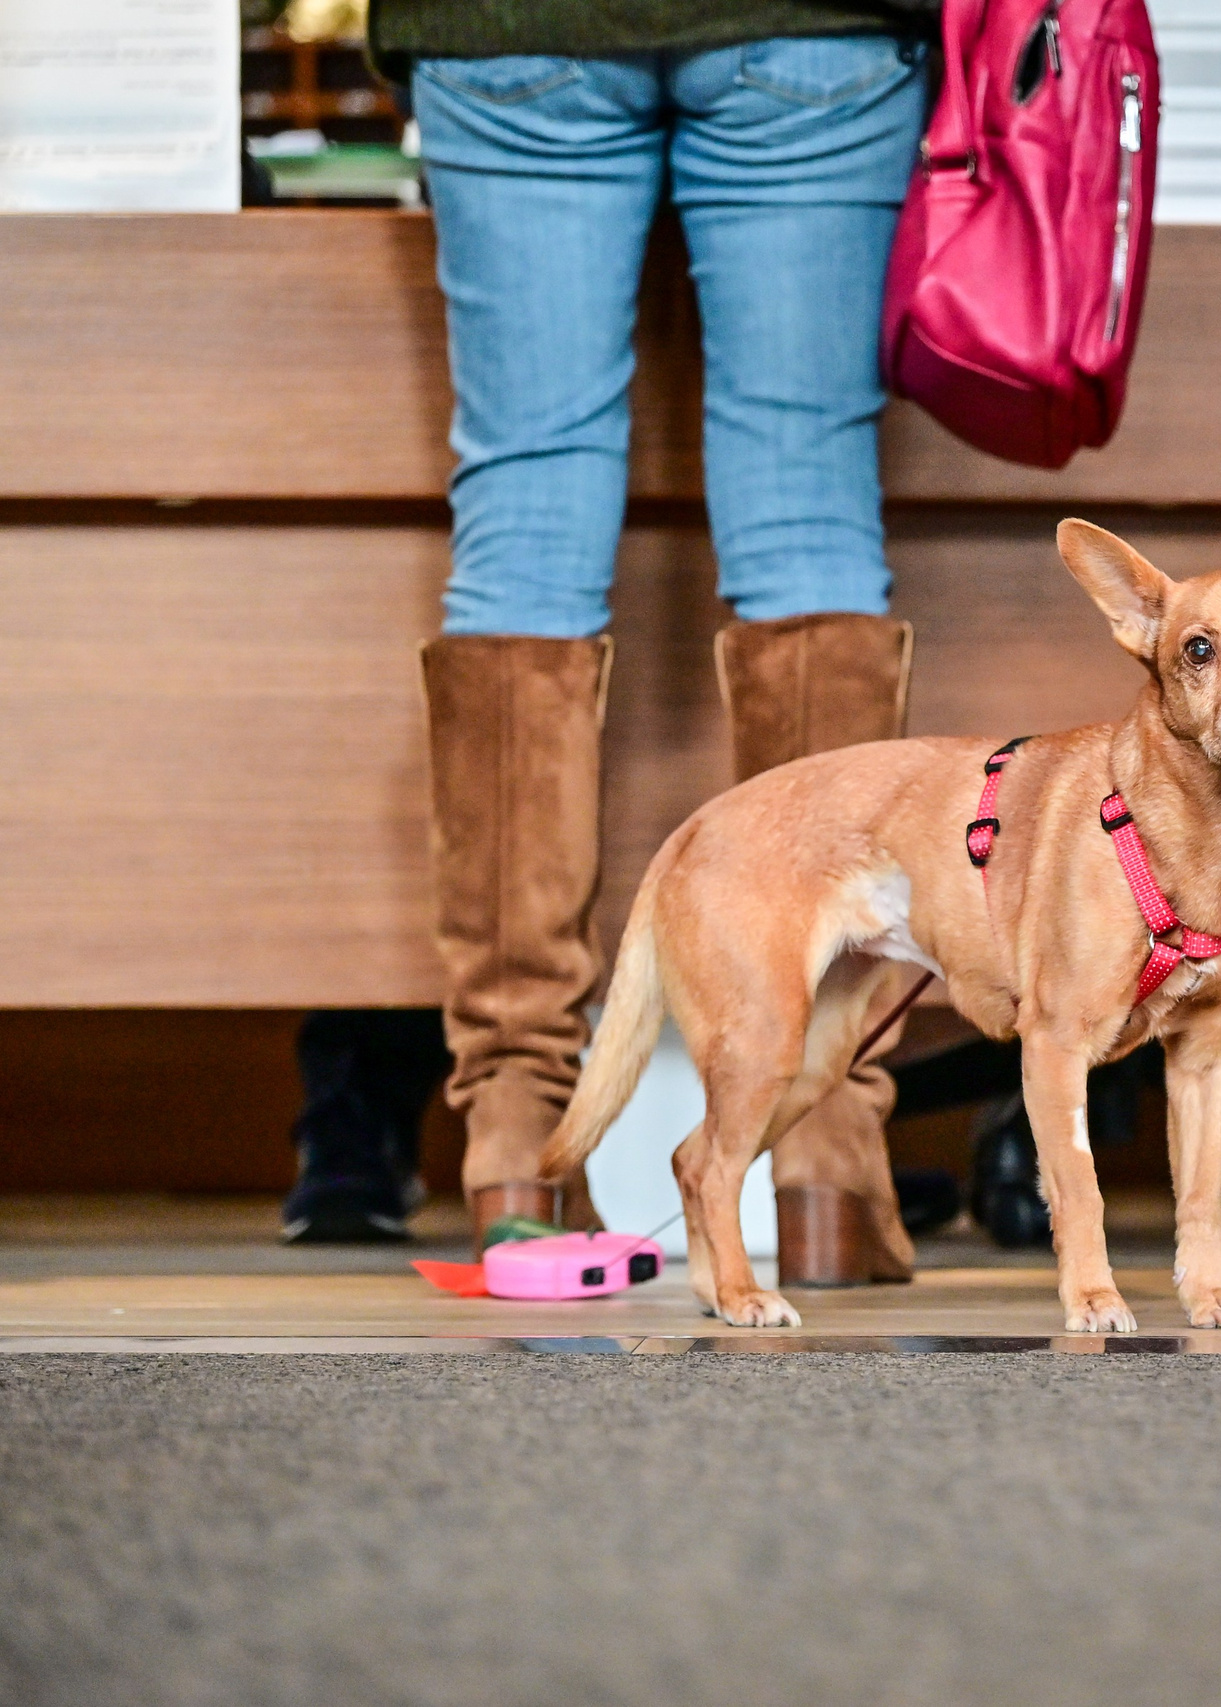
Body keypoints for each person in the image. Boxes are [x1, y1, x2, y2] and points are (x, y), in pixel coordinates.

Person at [359, 0, 933, 1282]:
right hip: (810, 29)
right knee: (806, 506)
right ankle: (826, 1141)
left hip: (507, 27)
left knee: (522, 515)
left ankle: (515, 1129)